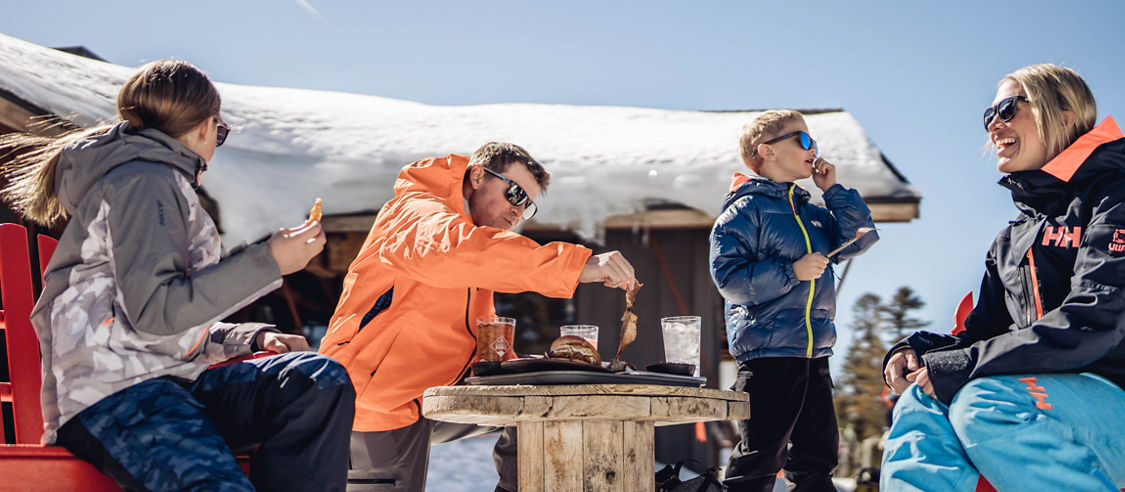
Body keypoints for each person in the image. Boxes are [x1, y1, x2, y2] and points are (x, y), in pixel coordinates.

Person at [0, 59, 355, 491]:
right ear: (206, 128)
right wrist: (269, 261)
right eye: (220, 132)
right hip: (117, 395)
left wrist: (251, 339)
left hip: (179, 382)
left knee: (313, 383)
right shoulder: (143, 181)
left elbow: (166, 320)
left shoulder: (161, 183)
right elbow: (155, 313)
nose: (216, 142)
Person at [319, 141, 637, 492]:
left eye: (527, 206)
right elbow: (454, 252)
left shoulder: (474, 243)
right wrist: (577, 265)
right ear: (477, 176)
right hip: (374, 398)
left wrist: (535, 372)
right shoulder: (416, 213)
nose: (518, 211)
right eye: (514, 194)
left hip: (437, 393)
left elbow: (479, 339)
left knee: (540, 405)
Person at [881, 64, 1125, 490]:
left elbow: (1095, 320)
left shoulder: (1113, 198)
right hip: (1041, 395)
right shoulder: (1012, 238)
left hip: (1110, 392)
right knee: (921, 401)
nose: (994, 123)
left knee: (983, 401)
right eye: (989, 114)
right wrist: (921, 351)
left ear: (1065, 115)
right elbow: (985, 334)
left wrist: (964, 365)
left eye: (1008, 108)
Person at [709, 109, 879, 491]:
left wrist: (833, 192)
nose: (813, 147)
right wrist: (792, 272)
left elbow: (862, 237)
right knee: (761, 456)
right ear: (766, 151)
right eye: (802, 139)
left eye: (813, 140)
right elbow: (730, 280)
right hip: (768, 355)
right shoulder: (743, 211)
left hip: (814, 354)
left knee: (817, 457)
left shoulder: (813, 213)